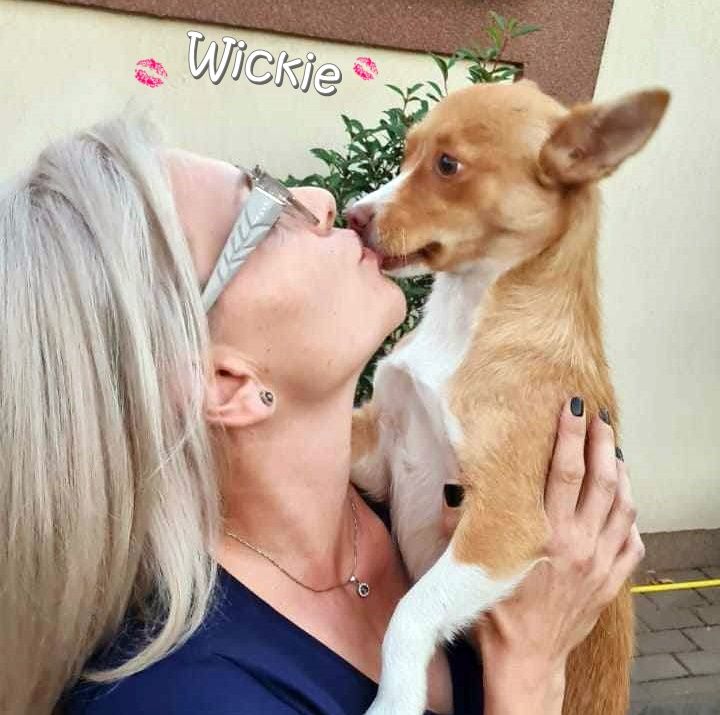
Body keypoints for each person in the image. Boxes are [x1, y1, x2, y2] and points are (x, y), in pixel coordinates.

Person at [0, 108, 644, 715]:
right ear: (224, 382)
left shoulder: (410, 499)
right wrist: (529, 671)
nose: (319, 199)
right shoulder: (183, 696)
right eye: (262, 213)